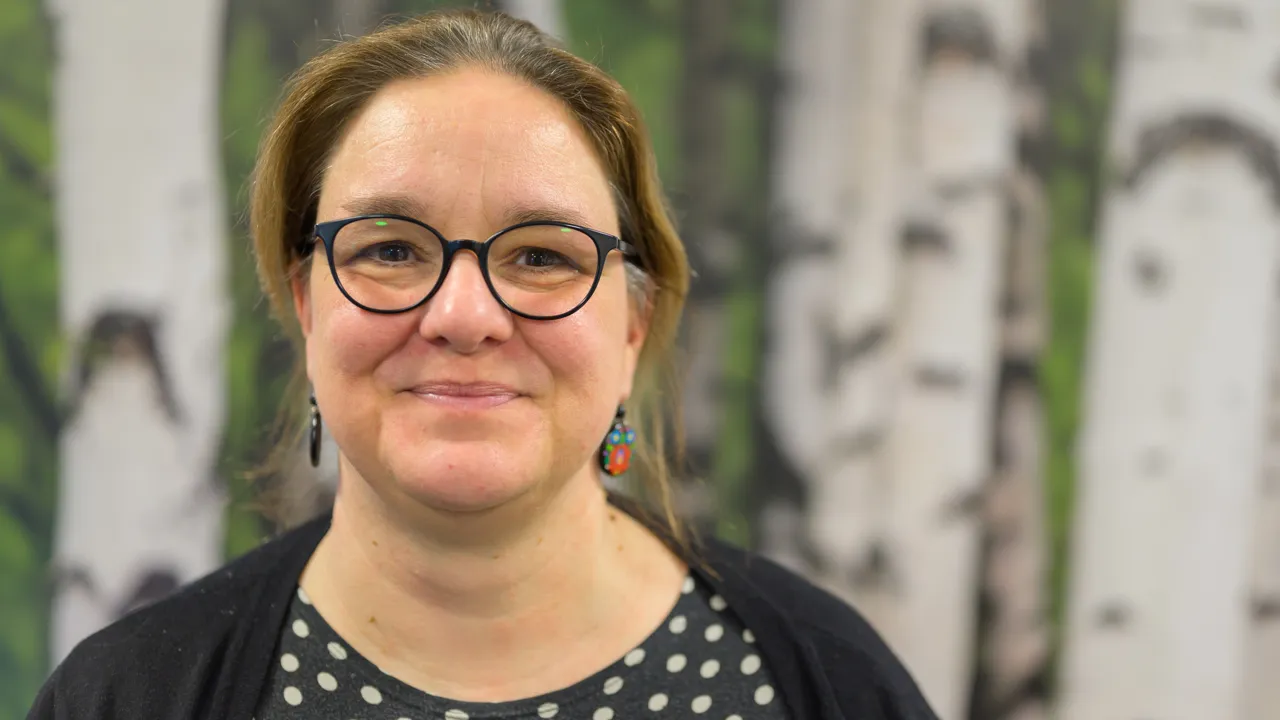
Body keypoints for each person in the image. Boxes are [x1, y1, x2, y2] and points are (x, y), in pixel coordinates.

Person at [28, 9, 937, 720]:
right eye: (389, 250)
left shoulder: (824, 682)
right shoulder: (130, 697)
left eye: (542, 256)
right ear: (308, 306)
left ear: (631, 327)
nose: (464, 315)